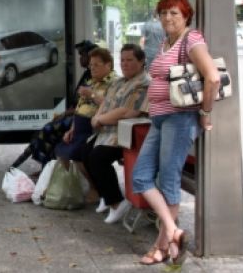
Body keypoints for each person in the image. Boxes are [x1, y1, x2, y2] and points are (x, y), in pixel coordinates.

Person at [132, 0, 220, 266]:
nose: (168, 18)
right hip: (159, 119)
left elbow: (213, 77)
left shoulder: (191, 39)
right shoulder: (165, 42)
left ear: (186, 16)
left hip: (179, 119)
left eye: (175, 13)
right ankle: (173, 232)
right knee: (141, 177)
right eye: (164, 13)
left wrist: (205, 114)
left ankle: (161, 246)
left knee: (168, 180)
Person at [84, 43, 149, 224]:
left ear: (141, 61)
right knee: (84, 152)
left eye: (130, 60)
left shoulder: (144, 83)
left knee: (97, 157)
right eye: (122, 60)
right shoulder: (118, 82)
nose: (125, 64)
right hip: (107, 131)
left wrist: (100, 120)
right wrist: (97, 117)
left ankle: (116, 203)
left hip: (128, 137)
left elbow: (127, 112)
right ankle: (106, 194)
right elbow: (105, 104)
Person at [10, 40, 98, 171]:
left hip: (82, 120)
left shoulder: (94, 75)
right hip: (74, 115)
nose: (80, 58)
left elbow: (86, 105)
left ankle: (44, 170)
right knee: (43, 134)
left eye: (82, 55)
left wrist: (65, 114)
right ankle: (45, 170)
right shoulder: (87, 73)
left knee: (46, 132)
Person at [54, 47, 116, 180]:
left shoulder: (114, 83)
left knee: (79, 154)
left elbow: (110, 105)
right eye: (90, 65)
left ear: (108, 65)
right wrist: (71, 129)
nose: (92, 68)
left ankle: (94, 188)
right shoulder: (91, 82)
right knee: (62, 152)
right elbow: (79, 107)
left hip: (95, 129)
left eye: (96, 65)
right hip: (79, 128)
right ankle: (78, 186)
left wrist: (91, 94)